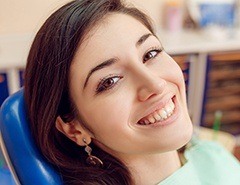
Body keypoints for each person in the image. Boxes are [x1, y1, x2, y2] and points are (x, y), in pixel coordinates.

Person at [24, 0, 240, 184]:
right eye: (110, 81)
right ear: (74, 129)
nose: (156, 85)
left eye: (151, 54)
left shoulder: (206, 151)